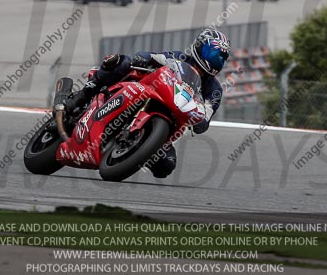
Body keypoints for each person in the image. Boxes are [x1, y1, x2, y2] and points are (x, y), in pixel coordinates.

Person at [60, 29, 230, 178]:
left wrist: (201, 121)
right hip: (148, 90)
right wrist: (145, 57)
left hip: (172, 115)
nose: (217, 60)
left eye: (221, 57)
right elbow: (155, 57)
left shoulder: (214, 89)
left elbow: (206, 115)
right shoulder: (180, 57)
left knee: (166, 166)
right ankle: (80, 98)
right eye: (214, 54)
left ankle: (137, 150)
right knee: (121, 62)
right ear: (200, 47)